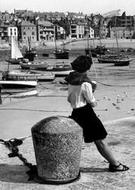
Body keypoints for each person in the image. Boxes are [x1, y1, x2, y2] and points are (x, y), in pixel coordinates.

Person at [65, 55, 129, 172]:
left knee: (76, 141)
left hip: (75, 113)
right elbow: (92, 102)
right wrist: (93, 91)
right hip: (86, 113)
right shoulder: (86, 83)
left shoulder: (71, 80)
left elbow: (70, 99)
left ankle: (66, 165)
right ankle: (115, 165)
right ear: (87, 68)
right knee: (100, 140)